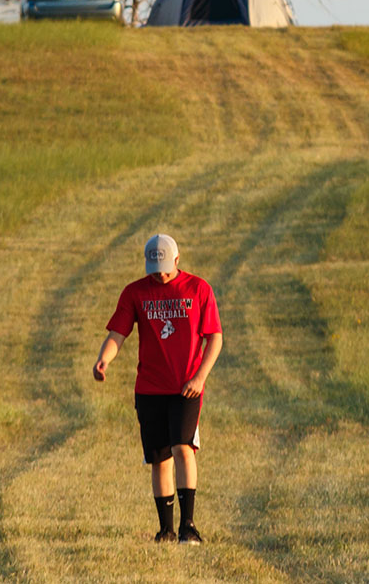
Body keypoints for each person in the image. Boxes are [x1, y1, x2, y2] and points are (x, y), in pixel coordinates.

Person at [93, 234, 222, 545]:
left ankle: (188, 527)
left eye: (165, 267)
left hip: (186, 387)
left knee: (182, 448)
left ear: (177, 261)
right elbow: (117, 334)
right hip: (149, 389)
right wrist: (103, 359)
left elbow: (215, 337)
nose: (160, 274)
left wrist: (200, 377)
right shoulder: (135, 292)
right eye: (154, 268)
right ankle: (166, 530)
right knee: (159, 458)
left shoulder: (198, 289)